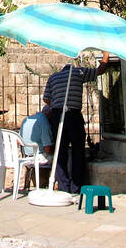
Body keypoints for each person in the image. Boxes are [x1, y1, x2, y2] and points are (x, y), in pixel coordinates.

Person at [43, 51, 111, 193]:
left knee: (60, 151)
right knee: (78, 150)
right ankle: (76, 186)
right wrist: (106, 54)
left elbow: (46, 99)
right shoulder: (79, 72)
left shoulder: (53, 77)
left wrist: (57, 104)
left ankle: (63, 186)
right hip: (73, 115)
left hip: (57, 114)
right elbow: (100, 70)